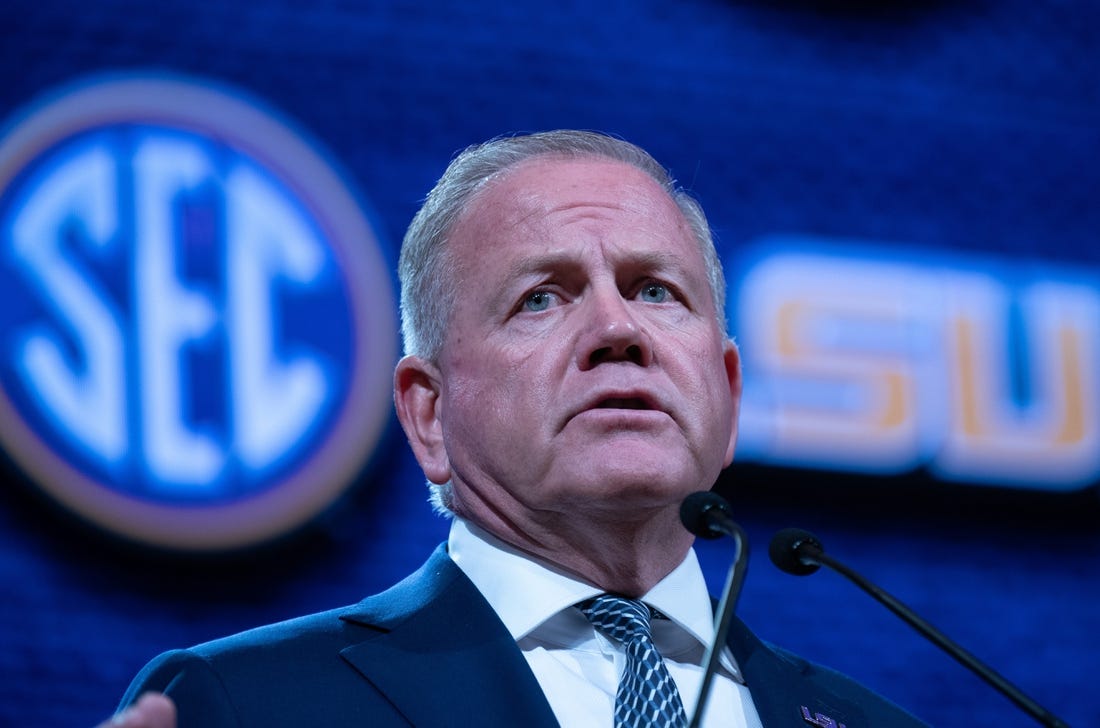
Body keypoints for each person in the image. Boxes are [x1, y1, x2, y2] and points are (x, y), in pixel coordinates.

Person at [109, 130, 928, 727]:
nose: (619, 329)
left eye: (655, 290)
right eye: (542, 296)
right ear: (430, 415)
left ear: (728, 394)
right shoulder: (251, 708)